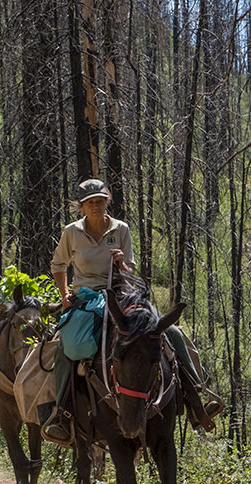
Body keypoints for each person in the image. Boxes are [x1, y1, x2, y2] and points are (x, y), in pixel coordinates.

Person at [43, 178, 223, 443]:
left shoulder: (121, 229)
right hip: (87, 297)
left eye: (101, 202)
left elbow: (130, 270)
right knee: (66, 345)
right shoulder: (72, 232)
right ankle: (63, 412)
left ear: (107, 202)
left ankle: (196, 398)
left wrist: (121, 264)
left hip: (122, 295)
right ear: (81, 207)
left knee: (169, 332)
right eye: (91, 203)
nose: (96, 207)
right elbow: (58, 265)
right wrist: (65, 295)